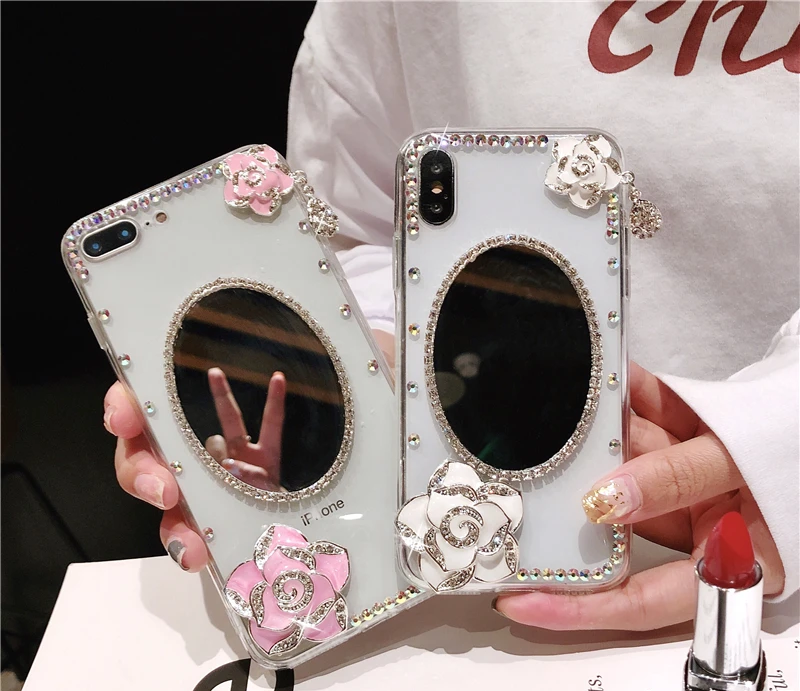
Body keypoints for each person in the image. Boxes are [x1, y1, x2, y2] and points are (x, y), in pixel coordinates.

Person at [105, 0, 799, 628]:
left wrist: (779, 440)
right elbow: (357, 227)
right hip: (436, 563)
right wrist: (357, 390)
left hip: (761, 567)